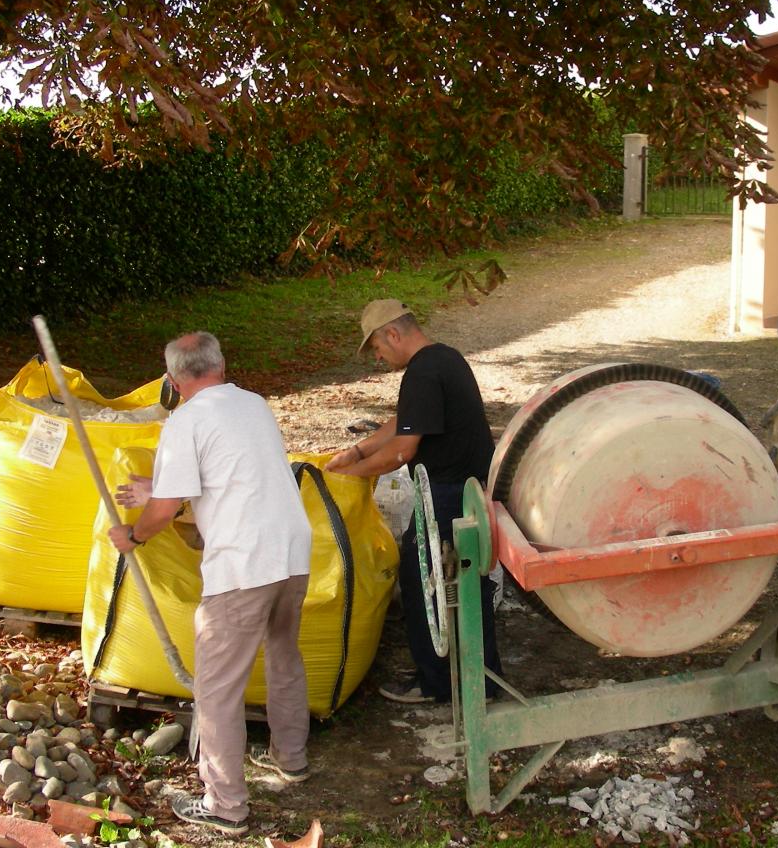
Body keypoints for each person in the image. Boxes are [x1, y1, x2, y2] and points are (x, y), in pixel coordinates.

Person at [110, 331, 313, 837]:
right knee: (284, 654)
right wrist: (160, 490)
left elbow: (163, 511)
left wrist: (133, 534)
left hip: (243, 566)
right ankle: (291, 757)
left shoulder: (185, 421)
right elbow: (232, 474)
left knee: (217, 690)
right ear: (221, 365)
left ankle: (226, 805)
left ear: (174, 382)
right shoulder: (254, 405)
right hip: (291, 552)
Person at [325, 300, 503, 703]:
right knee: (465, 581)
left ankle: (437, 683)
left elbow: (403, 449)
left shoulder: (423, 372)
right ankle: (483, 679)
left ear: (392, 333)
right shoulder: (444, 358)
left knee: (422, 580)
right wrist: (356, 452)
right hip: (470, 488)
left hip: (448, 492)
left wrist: (344, 480)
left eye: (375, 347)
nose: (377, 356)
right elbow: (404, 420)